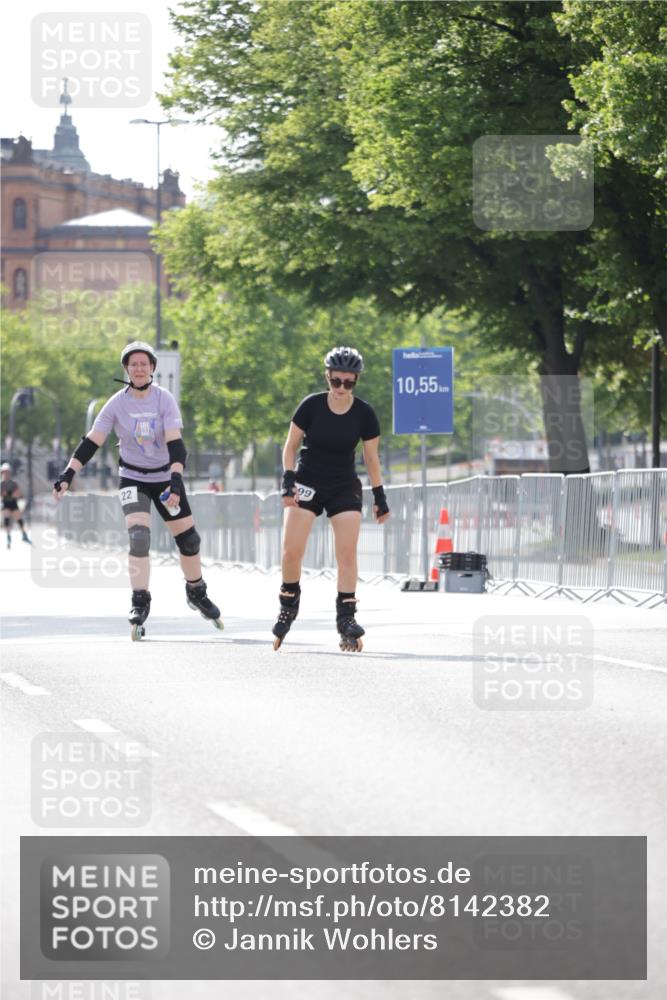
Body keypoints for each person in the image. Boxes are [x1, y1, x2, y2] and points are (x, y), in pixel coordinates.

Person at [52, 341, 222, 640]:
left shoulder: (164, 399)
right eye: (134, 365)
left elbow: (175, 444)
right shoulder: (117, 403)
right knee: (139, 537)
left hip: (165, 477)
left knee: (189, 539)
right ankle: (139, 600)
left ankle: (196, 591)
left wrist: (176, 480)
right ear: (126, 370)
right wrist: (67, 474)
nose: (140, 369)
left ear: (153, 368)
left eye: (144, 364)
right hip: (132, 478)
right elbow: (92, 441)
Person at [272, 346, 390, 651]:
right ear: (327, 376)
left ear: (356, 382)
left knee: (348, 553)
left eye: (348, 383)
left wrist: (380, 496)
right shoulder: (311, 405)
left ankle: (346, 619)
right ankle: (288, 604)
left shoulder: (364, 413)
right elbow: (290, 447)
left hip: (343, 484)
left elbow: (372, 458)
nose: (341, 389)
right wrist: (287, 480)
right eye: (336, 381)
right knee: (291, 552)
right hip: (307, 480)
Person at [1, 462, 31, 548]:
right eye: (4, 472)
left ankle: (24, 535)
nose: (6, 473)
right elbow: (1, 495)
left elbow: (18, 493)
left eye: (7, 472)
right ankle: (8, 537)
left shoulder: (13, 483)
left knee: (19, 519)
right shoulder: (1, 484)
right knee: (6, 518)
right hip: (6, 503)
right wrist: (8, 494)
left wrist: (8, 494)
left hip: (13, 503)